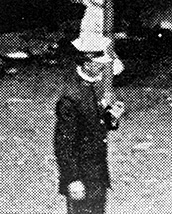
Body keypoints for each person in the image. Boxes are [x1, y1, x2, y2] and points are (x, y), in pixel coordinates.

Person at [54, 33, 123, 214]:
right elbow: (63, 143)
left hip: (98, 171)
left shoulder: (96, 85)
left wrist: (112, 117)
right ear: (86, 62)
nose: (102, 67)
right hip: (81, 174)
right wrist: (72, 179)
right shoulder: (70, 97)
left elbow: (97, 122)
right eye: (98, 63)